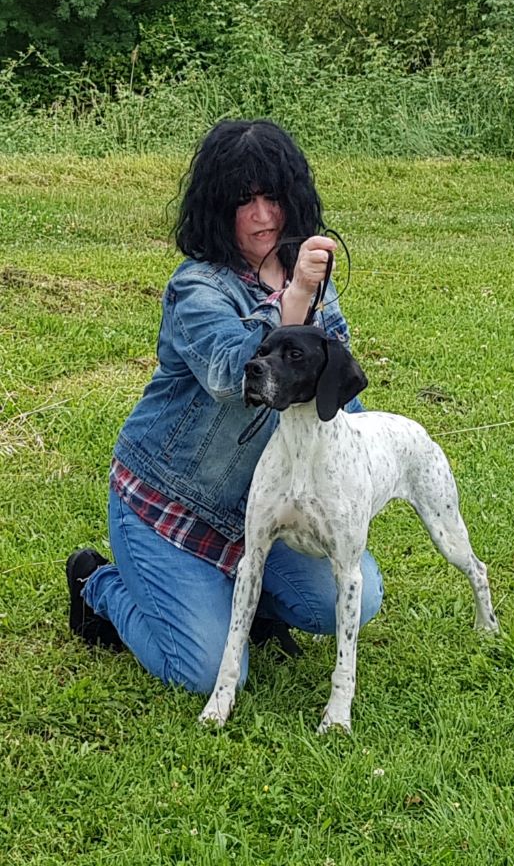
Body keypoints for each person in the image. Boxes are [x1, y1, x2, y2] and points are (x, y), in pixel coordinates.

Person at [65, 118, 383, 693]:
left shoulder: (312, 280)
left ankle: (252, 596)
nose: (262, 216)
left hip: (266, 503)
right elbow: (230, 374)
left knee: (353, 598)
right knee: (206, 672)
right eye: (244, 201)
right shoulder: (198, 288)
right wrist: (294, 302)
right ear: (216, 206)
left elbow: (335, 397)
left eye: (273, 197)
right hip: (168, 506)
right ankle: (98, 585)